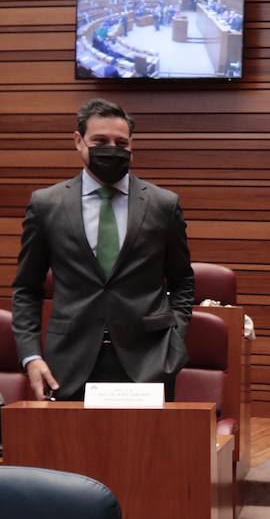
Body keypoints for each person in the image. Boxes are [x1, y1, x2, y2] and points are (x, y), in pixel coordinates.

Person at [11, 98, 194, 402]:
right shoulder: (47, 204)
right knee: (70, 449)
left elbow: (182, 281)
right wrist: (31, 356)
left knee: (146, 449)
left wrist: (174, 342)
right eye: (100, 141)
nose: (112, 149)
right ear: (78, 141)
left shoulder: (163, 204)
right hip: (68, 362)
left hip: (148, 361)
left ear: (132, 145)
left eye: (121, 142)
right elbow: (26, 288)